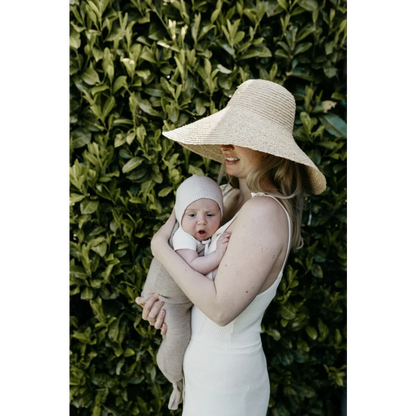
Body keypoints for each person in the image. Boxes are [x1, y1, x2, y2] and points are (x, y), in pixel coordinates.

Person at [136, 79, 326, 415]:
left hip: (225, 379)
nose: (225, 144)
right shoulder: (230, 197)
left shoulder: (264, 211)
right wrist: (166, 308)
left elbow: (222, 309)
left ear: (267, 147)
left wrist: (159, 246)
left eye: (239, 135)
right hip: (206, 367)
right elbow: (198, 286)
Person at [140, 174, 231, 410]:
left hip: (181, 299)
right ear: (180, 217)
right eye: (192, 215)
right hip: (166, 300)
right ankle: (173, 377)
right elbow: (191, 267)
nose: (201, 222)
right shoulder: (182, 236)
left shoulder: (198, 232)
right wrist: (218, 255)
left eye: (210, 215)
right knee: (178, 338)